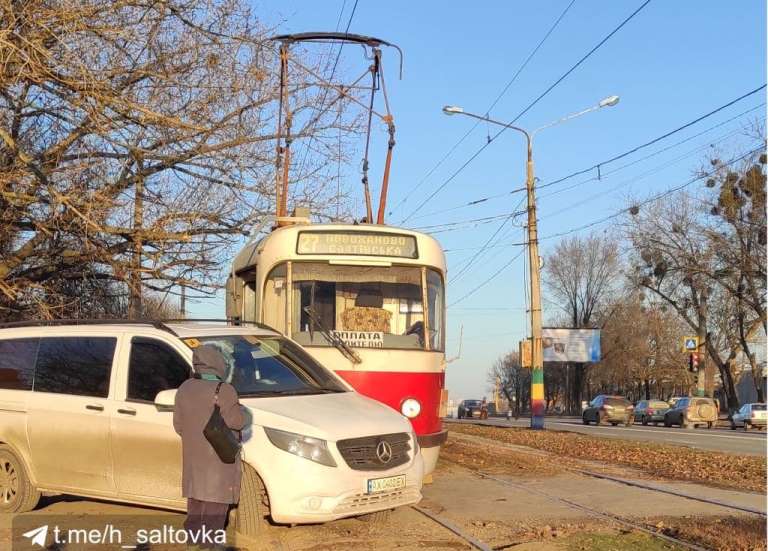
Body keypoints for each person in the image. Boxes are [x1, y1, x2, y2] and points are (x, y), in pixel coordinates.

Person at [174, 345, 246, 548]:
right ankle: (210, 545)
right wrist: (246, 414)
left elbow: (178, 426)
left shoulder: (184, 388)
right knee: (216, 503)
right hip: (219, 458)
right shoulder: (224, 390)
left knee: (196, 500)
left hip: (193, 458)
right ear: (217, 363)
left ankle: (193, 541)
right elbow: (237, 422)